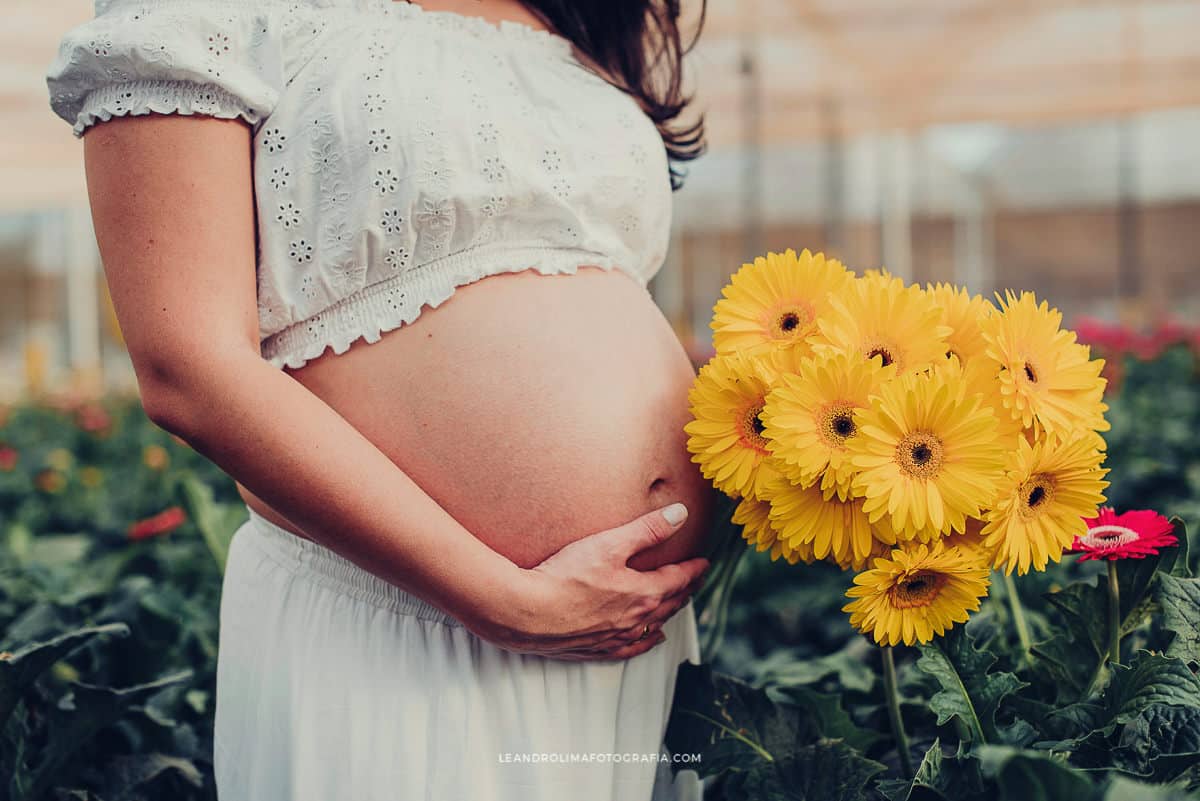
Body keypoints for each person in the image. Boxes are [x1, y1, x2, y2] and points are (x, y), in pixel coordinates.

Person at [46, 0, 715, 798]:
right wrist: (506, 601)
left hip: (631, 636)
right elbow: (186, 366)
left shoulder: (575, 16)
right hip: (408, 633)